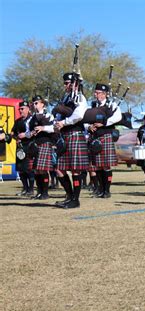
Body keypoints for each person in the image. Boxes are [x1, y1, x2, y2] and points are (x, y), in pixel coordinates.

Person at [53, 72, 89, 209]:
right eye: (64, 83)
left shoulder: (80, 97)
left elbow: (79, 115)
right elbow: (58, 115)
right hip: (65, 135)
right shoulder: (66, 98)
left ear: (75, 84)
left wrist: (65, 122)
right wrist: (57, 124)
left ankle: (75, 199)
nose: (65, 85)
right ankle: (69, 196)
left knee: (75, 170)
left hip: (75, 134)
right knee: (59, 169)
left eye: (68, 83)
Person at [88, 83, 122, 198]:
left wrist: (104, 123)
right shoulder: (93, 105)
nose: (95, 94)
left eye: (98, 93)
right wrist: (89, 126)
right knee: (97, 165)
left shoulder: (111, 105)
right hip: (95, 137)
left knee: (106, 166)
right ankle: (100, 189)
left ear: (104, 94)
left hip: (106, 136)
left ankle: (107, 191)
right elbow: (86, 118)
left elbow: (118, 117)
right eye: (95, 92)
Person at [30, 95, 56, 199]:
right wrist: (29, 133)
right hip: (36, 144)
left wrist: (43, 128)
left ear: (42, 104)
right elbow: (28, 131)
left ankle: (45, 193)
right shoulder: (32, 118)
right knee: (36, 170)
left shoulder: (48, 116)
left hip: (45, 143)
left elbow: (54, 128)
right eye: (33, 103)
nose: (34, 105)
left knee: (43, 169)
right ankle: (39, 192)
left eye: (36, 103)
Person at [11, 101, 35, 196]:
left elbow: (35, 131)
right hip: (20, 148)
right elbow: (13, 133)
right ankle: (25, 189)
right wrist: (16, 138)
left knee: (29, 169)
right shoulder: (18, 121)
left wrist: (25, 135)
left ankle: (31, 189)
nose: (20, 111)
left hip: (29, 146)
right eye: (19, 109)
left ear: (28, 109)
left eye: (22, 109)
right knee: (21, 169)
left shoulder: (32, 119)